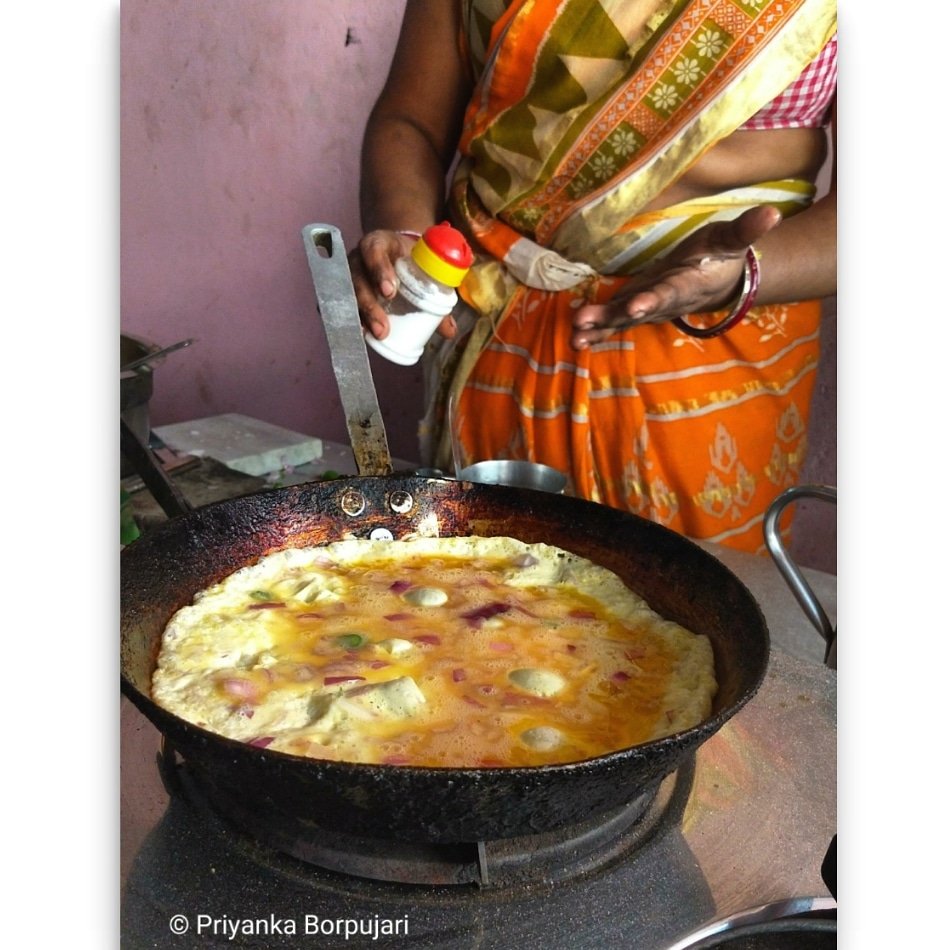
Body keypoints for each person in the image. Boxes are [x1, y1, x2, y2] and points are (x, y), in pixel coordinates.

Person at [350, 0, 837, 554]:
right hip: (497, 325)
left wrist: (739, 276)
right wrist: (411, 250)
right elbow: (410, 119)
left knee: (695, 611)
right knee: (476, 601)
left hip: (713, 351)